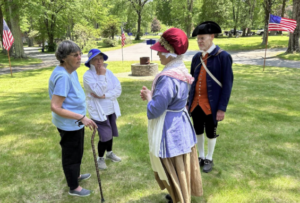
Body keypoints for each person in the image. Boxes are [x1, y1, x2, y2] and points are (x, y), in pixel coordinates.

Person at [140, 28, 203, 203]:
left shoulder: (168, 78)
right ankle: (179, 194)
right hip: (180, 123)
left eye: (161, 51)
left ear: (170, 53)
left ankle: (179, 197)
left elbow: (155, 110)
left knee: (173, 166)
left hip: (170, 129)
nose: (158, 54)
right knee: (180, 163)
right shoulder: (180, 71)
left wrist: (148, 97)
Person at [48, 40, 97, 197]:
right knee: (71, 155)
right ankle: (73, 187)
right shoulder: (63, 76)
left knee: (77, 151)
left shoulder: (71, 71)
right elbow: (55, 106)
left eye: (80, 54)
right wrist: (82, 117)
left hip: (74, 122)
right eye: (75, 55)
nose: (79, 57)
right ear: (63, 58)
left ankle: (75, 175)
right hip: (70, 124)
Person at [188, 21, 234, 173]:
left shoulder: (223, 57)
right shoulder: (196, 58)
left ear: (212, 37)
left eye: (202, 38)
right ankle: (200, 156)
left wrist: (222, 108)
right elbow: (192, 81)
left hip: (212, 105)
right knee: (198, 130)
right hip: (196, 103)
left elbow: (227, 85)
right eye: (198, 39)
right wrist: (188, 102)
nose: (199, 41)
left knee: (211, 132)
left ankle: (209, 157)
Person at [83, 49, 122, 170]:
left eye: (101, 58)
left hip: (111, 108)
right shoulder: (88, 75)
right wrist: (101, 75)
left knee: (110, 133)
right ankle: (100, 158)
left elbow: (118, 89)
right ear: (90, 61)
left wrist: (105, 96)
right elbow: (98, 91)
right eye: (95, 59)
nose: (99, 61)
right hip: (99, 111)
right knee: (105, 136)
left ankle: (109, 153)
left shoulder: (108, 72)